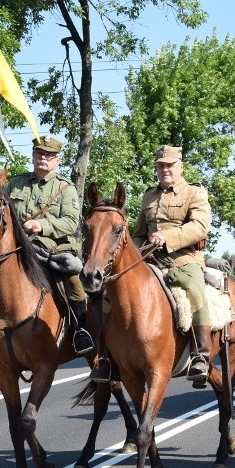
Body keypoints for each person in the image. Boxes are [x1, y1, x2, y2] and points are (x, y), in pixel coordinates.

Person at [91, 145, 212, 387]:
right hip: (149, 259)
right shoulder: (149, 195)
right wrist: (132, 251)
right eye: (160, 165)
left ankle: (201, 355)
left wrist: (168, 236)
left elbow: (200, 226)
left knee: (195, 290)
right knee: (106, 297)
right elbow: (137, 234)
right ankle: (105, 357)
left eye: (170, 165)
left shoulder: (194, 192)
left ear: (180, 167)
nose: (165, 169)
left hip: (183, 258)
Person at [6, 135, 94, 356]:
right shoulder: (16, 183)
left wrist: (41, 225)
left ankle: (81, 330)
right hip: (19, 248)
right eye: (39, 154)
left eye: (48, 155)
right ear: (33, 156)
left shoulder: (66, 189)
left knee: (73, 279)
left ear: (58, 160)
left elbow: (71, 222)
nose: (43, 158)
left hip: (55, 249)